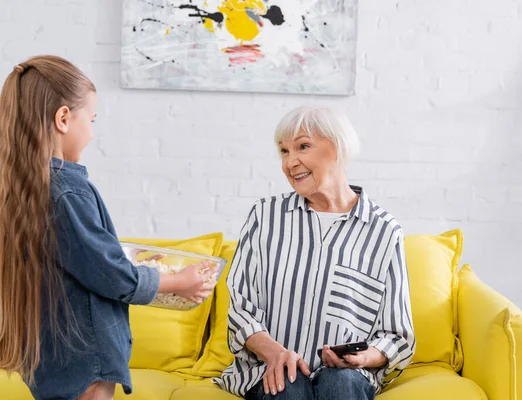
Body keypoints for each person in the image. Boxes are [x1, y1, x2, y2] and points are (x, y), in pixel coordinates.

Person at [0, 55, 219, 400]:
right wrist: (178, 281)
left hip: (50, 354)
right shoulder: (66, 192)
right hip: (84, 356)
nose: (92, 130)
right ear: (63, 118)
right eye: (92, 118)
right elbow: (109, 272)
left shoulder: (21, 190)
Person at [215, 106, 416, 399]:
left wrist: (364, 357)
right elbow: (242, 309)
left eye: (303, 146)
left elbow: (397, 335)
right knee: (287, 385)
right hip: (269, 368)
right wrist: (276, 354)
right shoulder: (266, 216)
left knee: (341, 384)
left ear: (338, 147)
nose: (290, 162)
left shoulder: (384, 231)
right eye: (284, 151)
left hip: (347, 377)